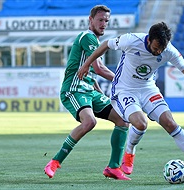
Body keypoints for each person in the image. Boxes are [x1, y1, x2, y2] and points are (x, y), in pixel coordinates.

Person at [77, 22, 184, 180]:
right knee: (141, 123)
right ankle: (129, 152)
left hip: (148, 89)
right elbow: (105, 44)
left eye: (161, 49)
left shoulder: (168, 50)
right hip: (124, 90)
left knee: (170, 123)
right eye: (155, 48)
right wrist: (87, 64)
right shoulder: (131, 40)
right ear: (148, 39)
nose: (158, 52)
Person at [44, 5, 130, 180]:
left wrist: (97, 88)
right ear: (90, 20)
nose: (103, 24)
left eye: (106, 20)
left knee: (122, 120)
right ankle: (54, 161)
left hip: (89, 90)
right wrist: (124, 82)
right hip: (73, 89)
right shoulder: (88, 37)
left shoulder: (95, 42)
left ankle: (114, 167)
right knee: (89, 121)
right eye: (100, 20)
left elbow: (93, 70)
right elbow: (99, 68)